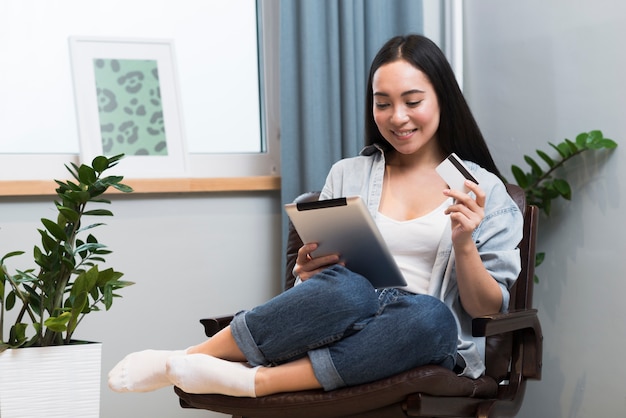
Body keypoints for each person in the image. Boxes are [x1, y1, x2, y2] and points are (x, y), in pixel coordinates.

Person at [108, 34, 523, 398]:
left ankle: (256, 382)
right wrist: (307, 272)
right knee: (350, 289)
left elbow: (488, 308)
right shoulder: (348, 173)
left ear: (442, 99)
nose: (397, 117)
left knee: (433, 317)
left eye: (412, 101)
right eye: (383, 104)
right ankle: (181, 360)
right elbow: (313, 291)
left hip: (412, 336)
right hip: (345, 313)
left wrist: (463, 242)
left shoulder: (482, 191)